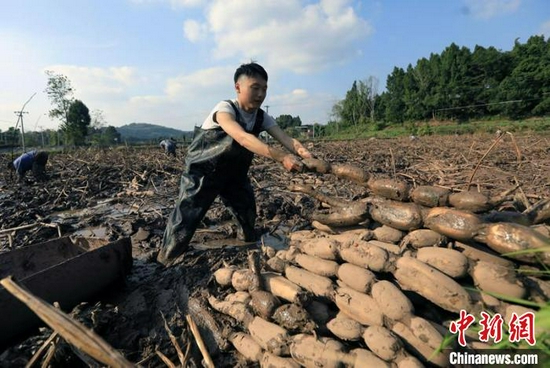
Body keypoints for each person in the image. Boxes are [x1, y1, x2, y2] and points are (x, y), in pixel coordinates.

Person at [157, 62, 312, 265]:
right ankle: (165, 260)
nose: (260, 94)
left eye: (264, 89)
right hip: (203, 173)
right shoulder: (225, 109)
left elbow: (286, 139)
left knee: (247, 214)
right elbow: (242, 138)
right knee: (186, 217)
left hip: (234, 175)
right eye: (254, 88)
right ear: (238, 87)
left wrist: (306, 155)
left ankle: (246, 248)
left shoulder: (262, 117)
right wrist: (282, 157)